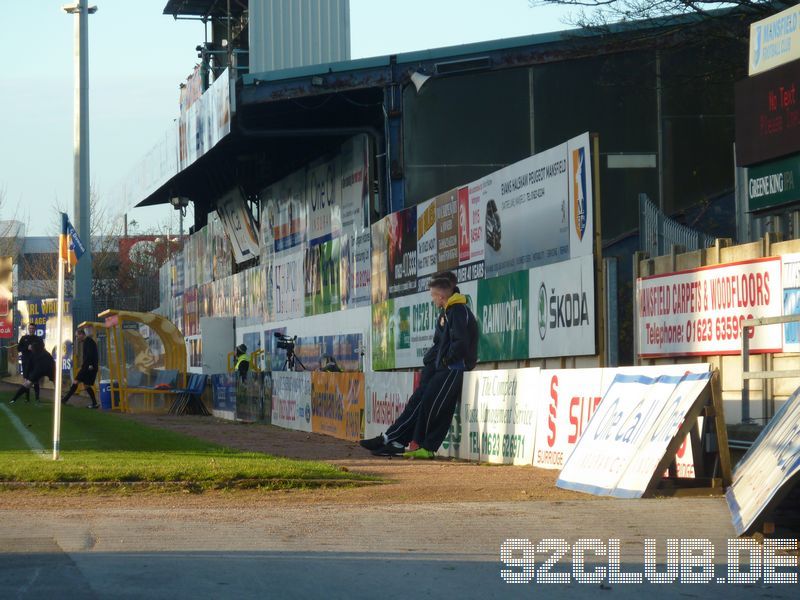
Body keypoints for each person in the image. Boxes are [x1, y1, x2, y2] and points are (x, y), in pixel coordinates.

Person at [360, 271, 478, 459]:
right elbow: (440, 343)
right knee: (420, 402)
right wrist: (431, 361)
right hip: (440, 367)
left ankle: (421, 445)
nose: (432, 299)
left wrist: (446, 361)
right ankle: (393, 439)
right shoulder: (447, 312)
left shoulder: (458, 311)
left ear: (441, 295)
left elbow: (460, 343)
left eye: (433, 295)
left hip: (452, 368)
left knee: (433, 406)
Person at [61, 328, 99, 409]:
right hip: (89, 367)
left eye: (77, 336)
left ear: (82, 334)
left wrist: (90, 365)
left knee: (76, 381)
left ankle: (64, 400)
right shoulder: (87, 342)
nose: (77, 338)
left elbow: (90, 355)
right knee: (86, 386)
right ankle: (95, 403)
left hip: (88, 367)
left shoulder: (89, 342)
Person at [17, 323, 43, 402]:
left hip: (35, 362)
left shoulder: (38, 339)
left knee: (36, 380)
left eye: (33, 328)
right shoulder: (24, 338)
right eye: (30, 328)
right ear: (28, 329)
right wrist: (26, 348)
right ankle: (27, 398)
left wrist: (35, 348)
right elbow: (19, 348)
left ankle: (37, 398)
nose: (31, 330)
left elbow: (42, 348)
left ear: (35, 329)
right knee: (27, 381)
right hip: (26, 362)